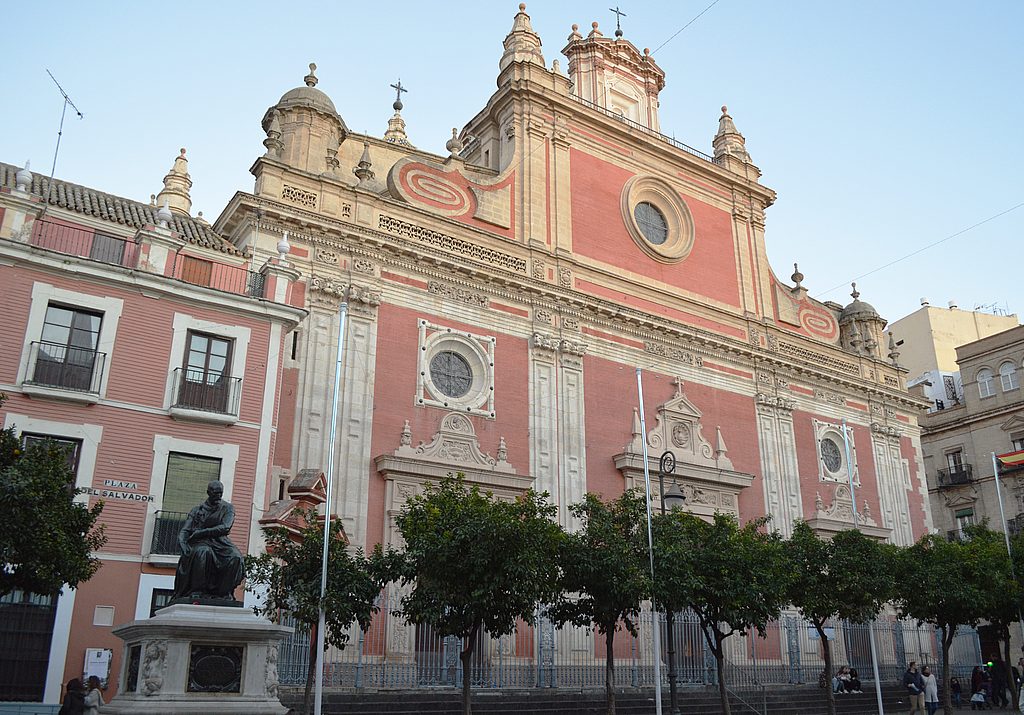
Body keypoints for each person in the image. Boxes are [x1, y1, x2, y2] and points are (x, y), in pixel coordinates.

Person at [171, 480, 245, 602]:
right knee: (203, 552)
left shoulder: (228, 508)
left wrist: (202, 532)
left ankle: (224, 593)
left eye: (220, 493)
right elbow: (185, 530)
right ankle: (197, 591)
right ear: (208, 492)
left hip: (220, 542)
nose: (218, 496)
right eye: (215, 493)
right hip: (200, 542)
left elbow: (225, 527)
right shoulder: (197, 510)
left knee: (235, 557)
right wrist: (182, 543)